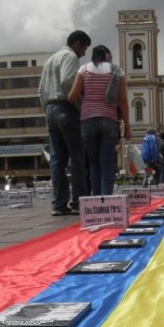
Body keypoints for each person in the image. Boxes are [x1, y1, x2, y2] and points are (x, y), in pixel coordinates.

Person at [38, 30, 91, 216]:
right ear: (77, 43)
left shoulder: (51, 60)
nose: (84, 53)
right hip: (65, 108)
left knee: (57, 160)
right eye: (84, 48)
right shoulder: (70, 57)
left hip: (50, 110)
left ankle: (59, 204)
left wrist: (47, 109)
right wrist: (79, 104)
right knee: (77, 157)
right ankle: (78, 202)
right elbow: (69, 80)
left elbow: (40, 90)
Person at [67, 45, 131, 196]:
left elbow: (71, 97)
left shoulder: (83, 70)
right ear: (106, 56)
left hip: (87, 121)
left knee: (94, 163)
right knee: (107, 163)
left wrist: (85, 101)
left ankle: (96, 200)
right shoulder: (117, 71)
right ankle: (107, 198)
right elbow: (122, 100)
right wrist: (127, 126)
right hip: (109, 120)